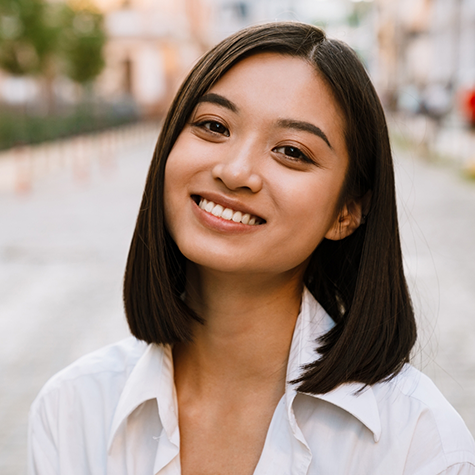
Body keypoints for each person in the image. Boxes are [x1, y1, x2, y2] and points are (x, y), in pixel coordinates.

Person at [28, 22, 475, 474]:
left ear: (347, 212)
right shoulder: (73, 411)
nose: (236, 171)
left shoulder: (419, 443)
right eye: (213, 125)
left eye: (292, 152)